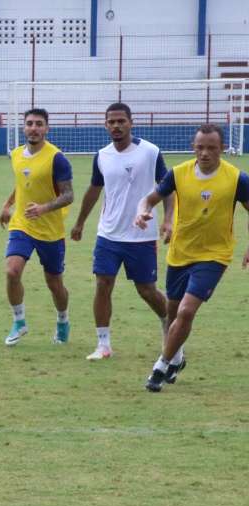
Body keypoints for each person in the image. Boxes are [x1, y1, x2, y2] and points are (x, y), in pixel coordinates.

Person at [135, 123, 249, 392]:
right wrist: (141, 212)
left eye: (212, 148)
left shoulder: (237, 179)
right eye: (200, 147)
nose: (205, 153)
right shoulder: (178, 174)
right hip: (180, 253)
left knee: (186, 311)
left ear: (222, 148)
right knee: (173, 314)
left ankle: (160, 366)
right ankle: (177, 358)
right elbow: (149, 199)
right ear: (193, 148)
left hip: (214, 256)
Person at [70, 103, 172, 361]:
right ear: (105, 125)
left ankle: (167, 320)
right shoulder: (102, 155)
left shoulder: (150, 152)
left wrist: (168, 220)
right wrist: (80, 221)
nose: (116, 126)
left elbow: (168, 186)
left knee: (146, 290)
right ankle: (103, 345)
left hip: (142, 234)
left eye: (121, 121)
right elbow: (94, 190)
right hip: (108, 234)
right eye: (111, 122)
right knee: (103, 284)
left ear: (130, 122)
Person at [0, 108, 74, 346]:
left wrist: (43, 208)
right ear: (24, 127)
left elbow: (68, 195)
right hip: (22, 224)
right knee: (12, 271)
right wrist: (7, 204)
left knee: (54, 283)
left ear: (46, 129)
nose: (34, 128)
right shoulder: (17, 154)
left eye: (39, 124)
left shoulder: (57, 159)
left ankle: (63, 320)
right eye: (30, 123)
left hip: (50, 230)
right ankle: (19, 321)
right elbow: (22, 182)